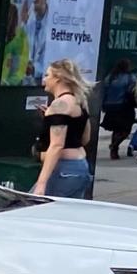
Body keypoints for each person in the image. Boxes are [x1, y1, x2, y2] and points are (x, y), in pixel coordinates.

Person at [34, 59, 94, 198]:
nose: (44, 80)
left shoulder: (59, 105)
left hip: (63, 169)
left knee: (36, 206)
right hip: (79, 167)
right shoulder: (79, 102)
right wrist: (52, 119)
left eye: (47, 75)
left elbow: (57, 146)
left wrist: (41, 183)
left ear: (58, 79)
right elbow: (85, 139)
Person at [100, 58, 137, 160]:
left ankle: (114, 151)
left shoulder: (110, 77)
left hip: (111, 106)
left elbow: (104, 91)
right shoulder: (130, 77)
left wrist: (103, 104)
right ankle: (114, 145)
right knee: (126, 129)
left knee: (116, 129)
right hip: (124, 106)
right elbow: (133, 90)